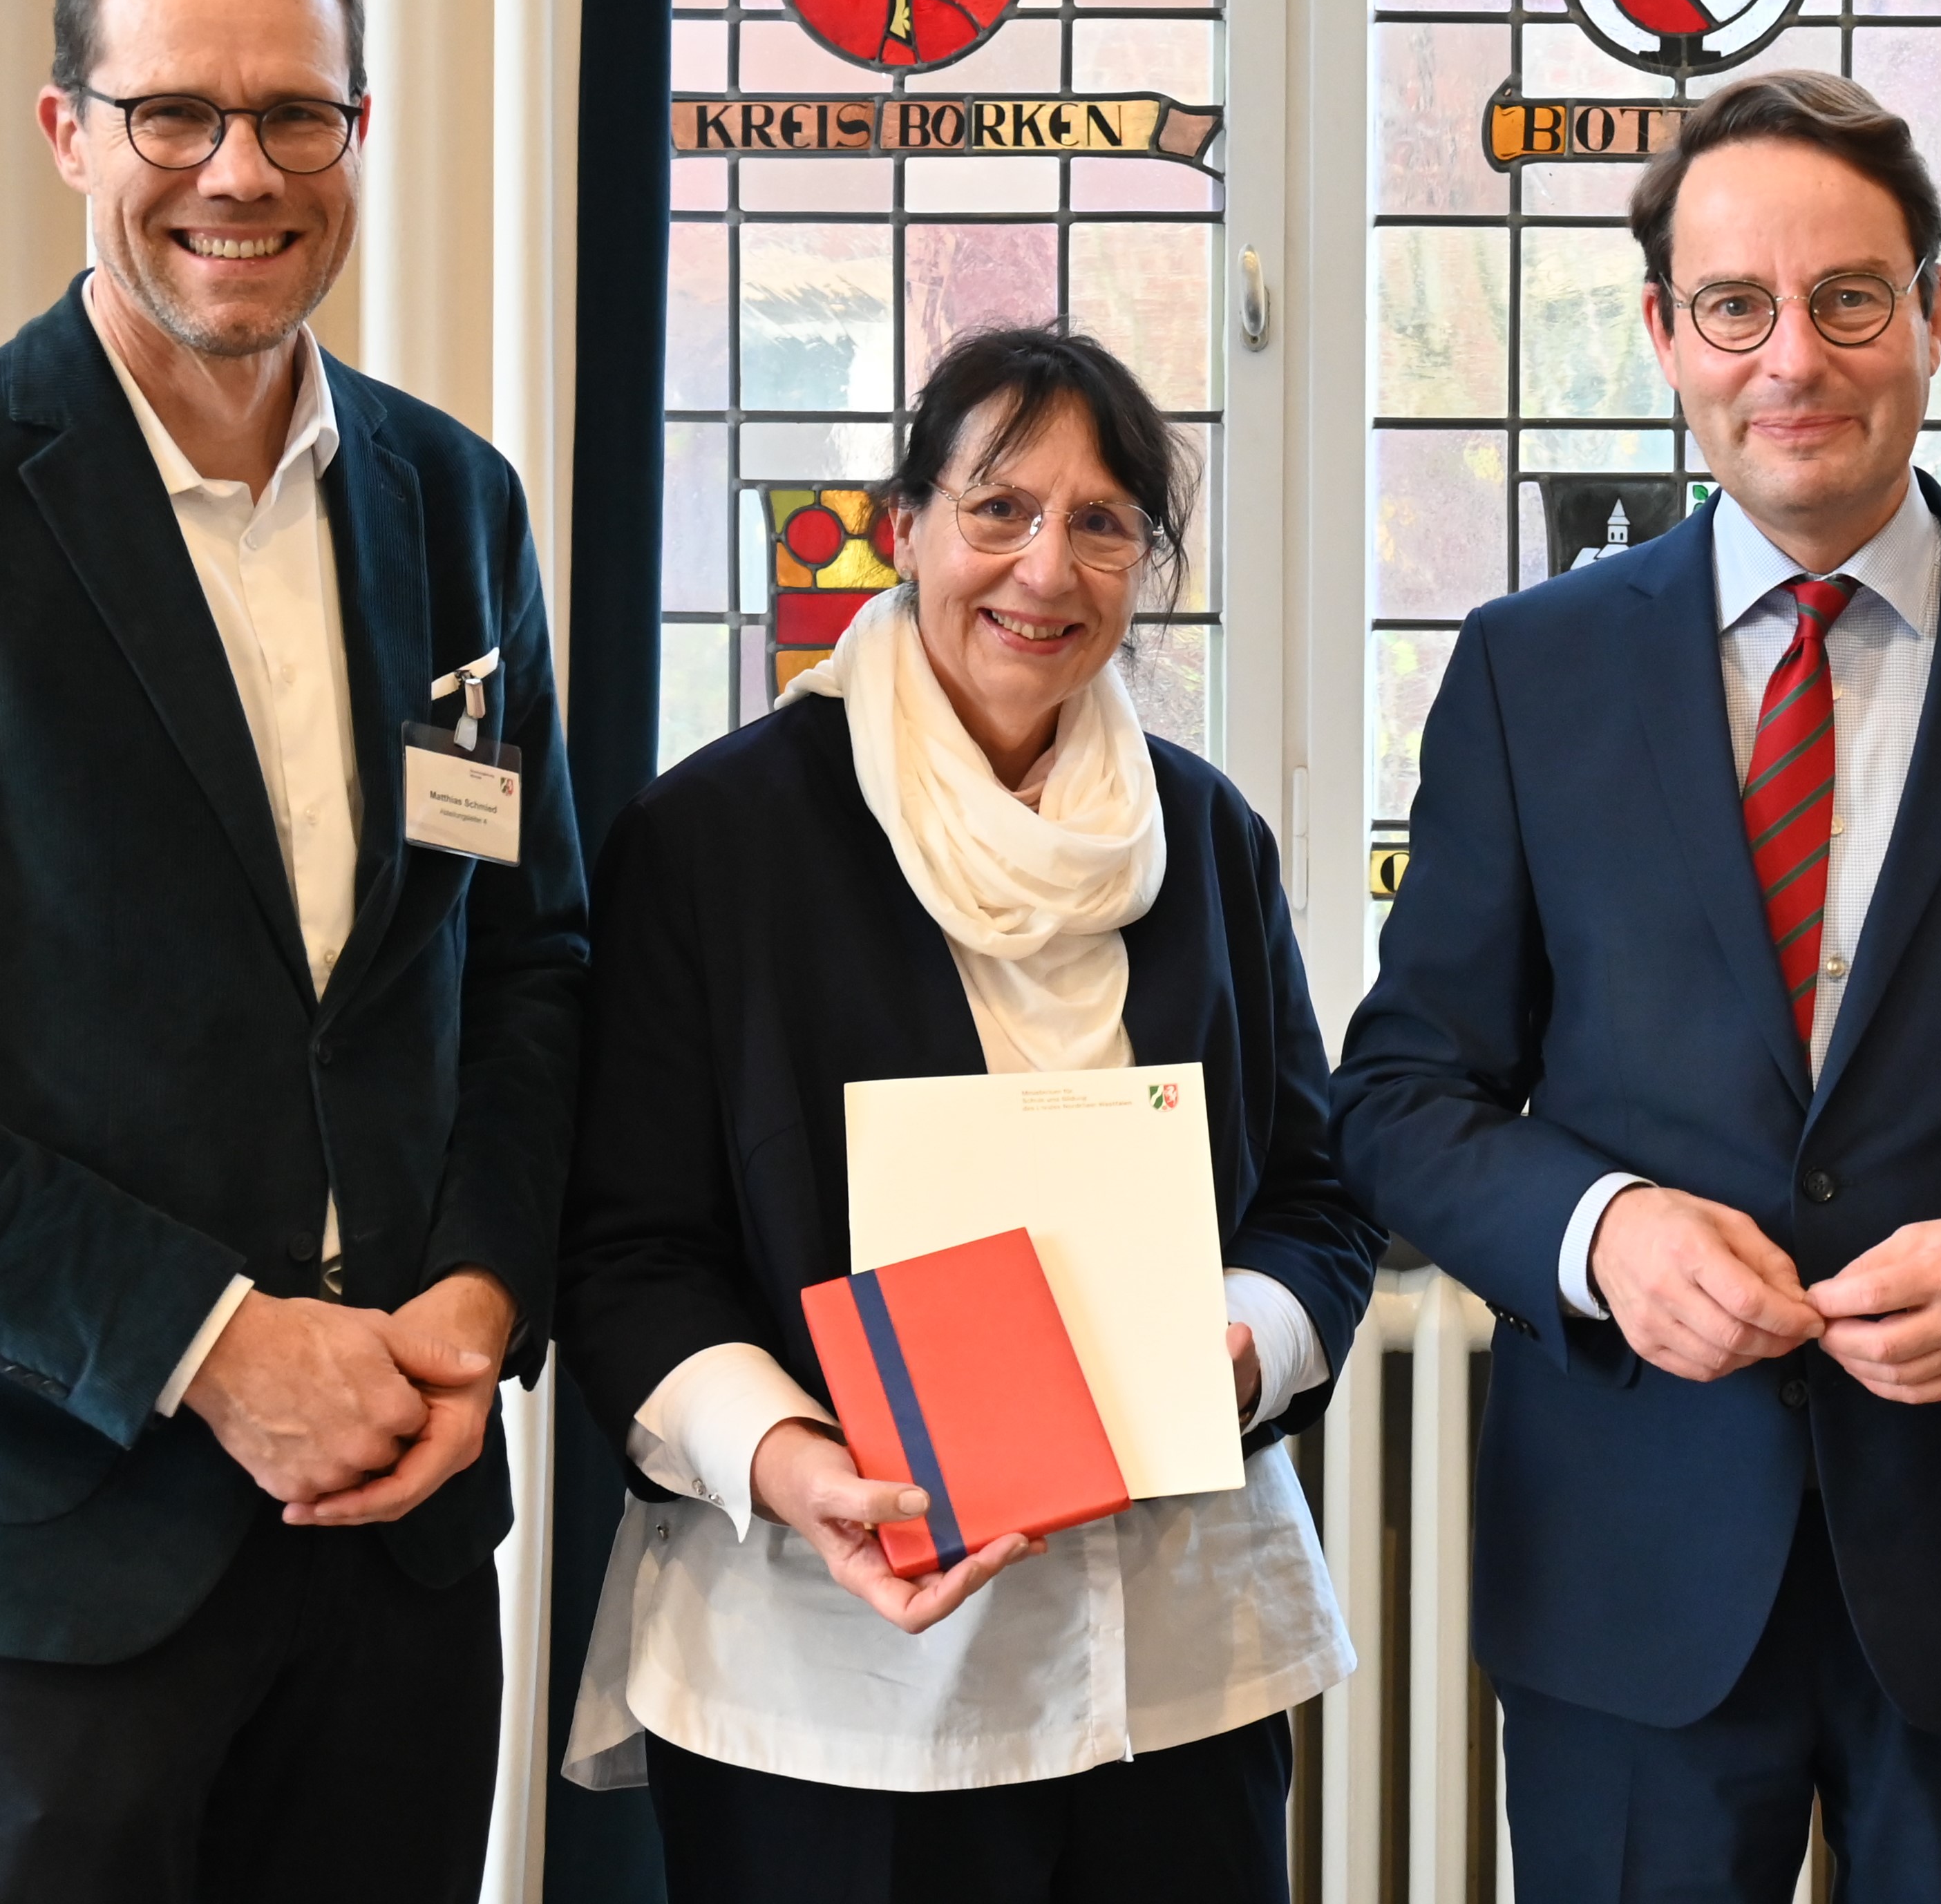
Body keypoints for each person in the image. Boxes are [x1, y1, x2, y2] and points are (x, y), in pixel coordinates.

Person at [0, 0, 590, 1902]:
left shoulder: (457, 502)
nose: (238, 173)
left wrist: (479, 1299)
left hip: (403, 1534)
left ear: (360, 130)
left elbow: (531, 956)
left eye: (295, 114)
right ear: (68, 132)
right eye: (174, 112)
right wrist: (213, 1343)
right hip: (46, 1552)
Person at [1332, 72, 1941, 1901]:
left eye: (1847, 299)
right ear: (1664, 333)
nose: (1793, 359)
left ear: (1932, 311)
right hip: (1628, 1575)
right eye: (1734, 306)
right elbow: (1403, 1096)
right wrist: (1601, 1232)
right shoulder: (1526, 673)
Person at [556, 324, 1379, 1902]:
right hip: (832, 1673)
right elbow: (626, 1248)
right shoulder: (714, 840)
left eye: (1101, 523)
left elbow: (1317, 1194)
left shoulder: (1206, 834)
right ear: (904, 527)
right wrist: (788, 1458)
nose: (1043, 568)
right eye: (998, 508)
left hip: (1173, 1663)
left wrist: (1241, 1343)